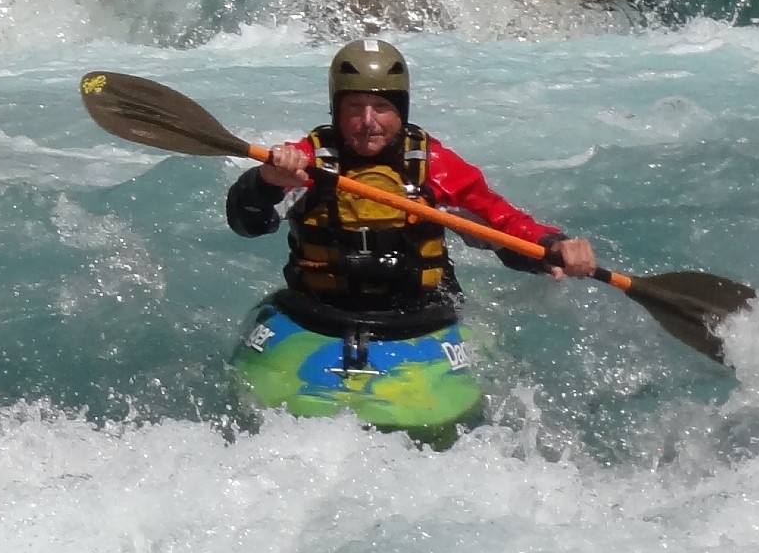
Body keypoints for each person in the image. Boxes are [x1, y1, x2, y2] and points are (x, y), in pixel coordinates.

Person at [226, 38, 596, 339]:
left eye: (381, 107)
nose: (368, 122)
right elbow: (246, 223)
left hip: (419, 322)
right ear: (336, 110)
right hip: (316, 318)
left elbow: (502, 223)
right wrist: (265, 183)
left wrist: (553, 245)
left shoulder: (433, 166)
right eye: (355, 107)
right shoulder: (306, 161)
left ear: (401, 110)